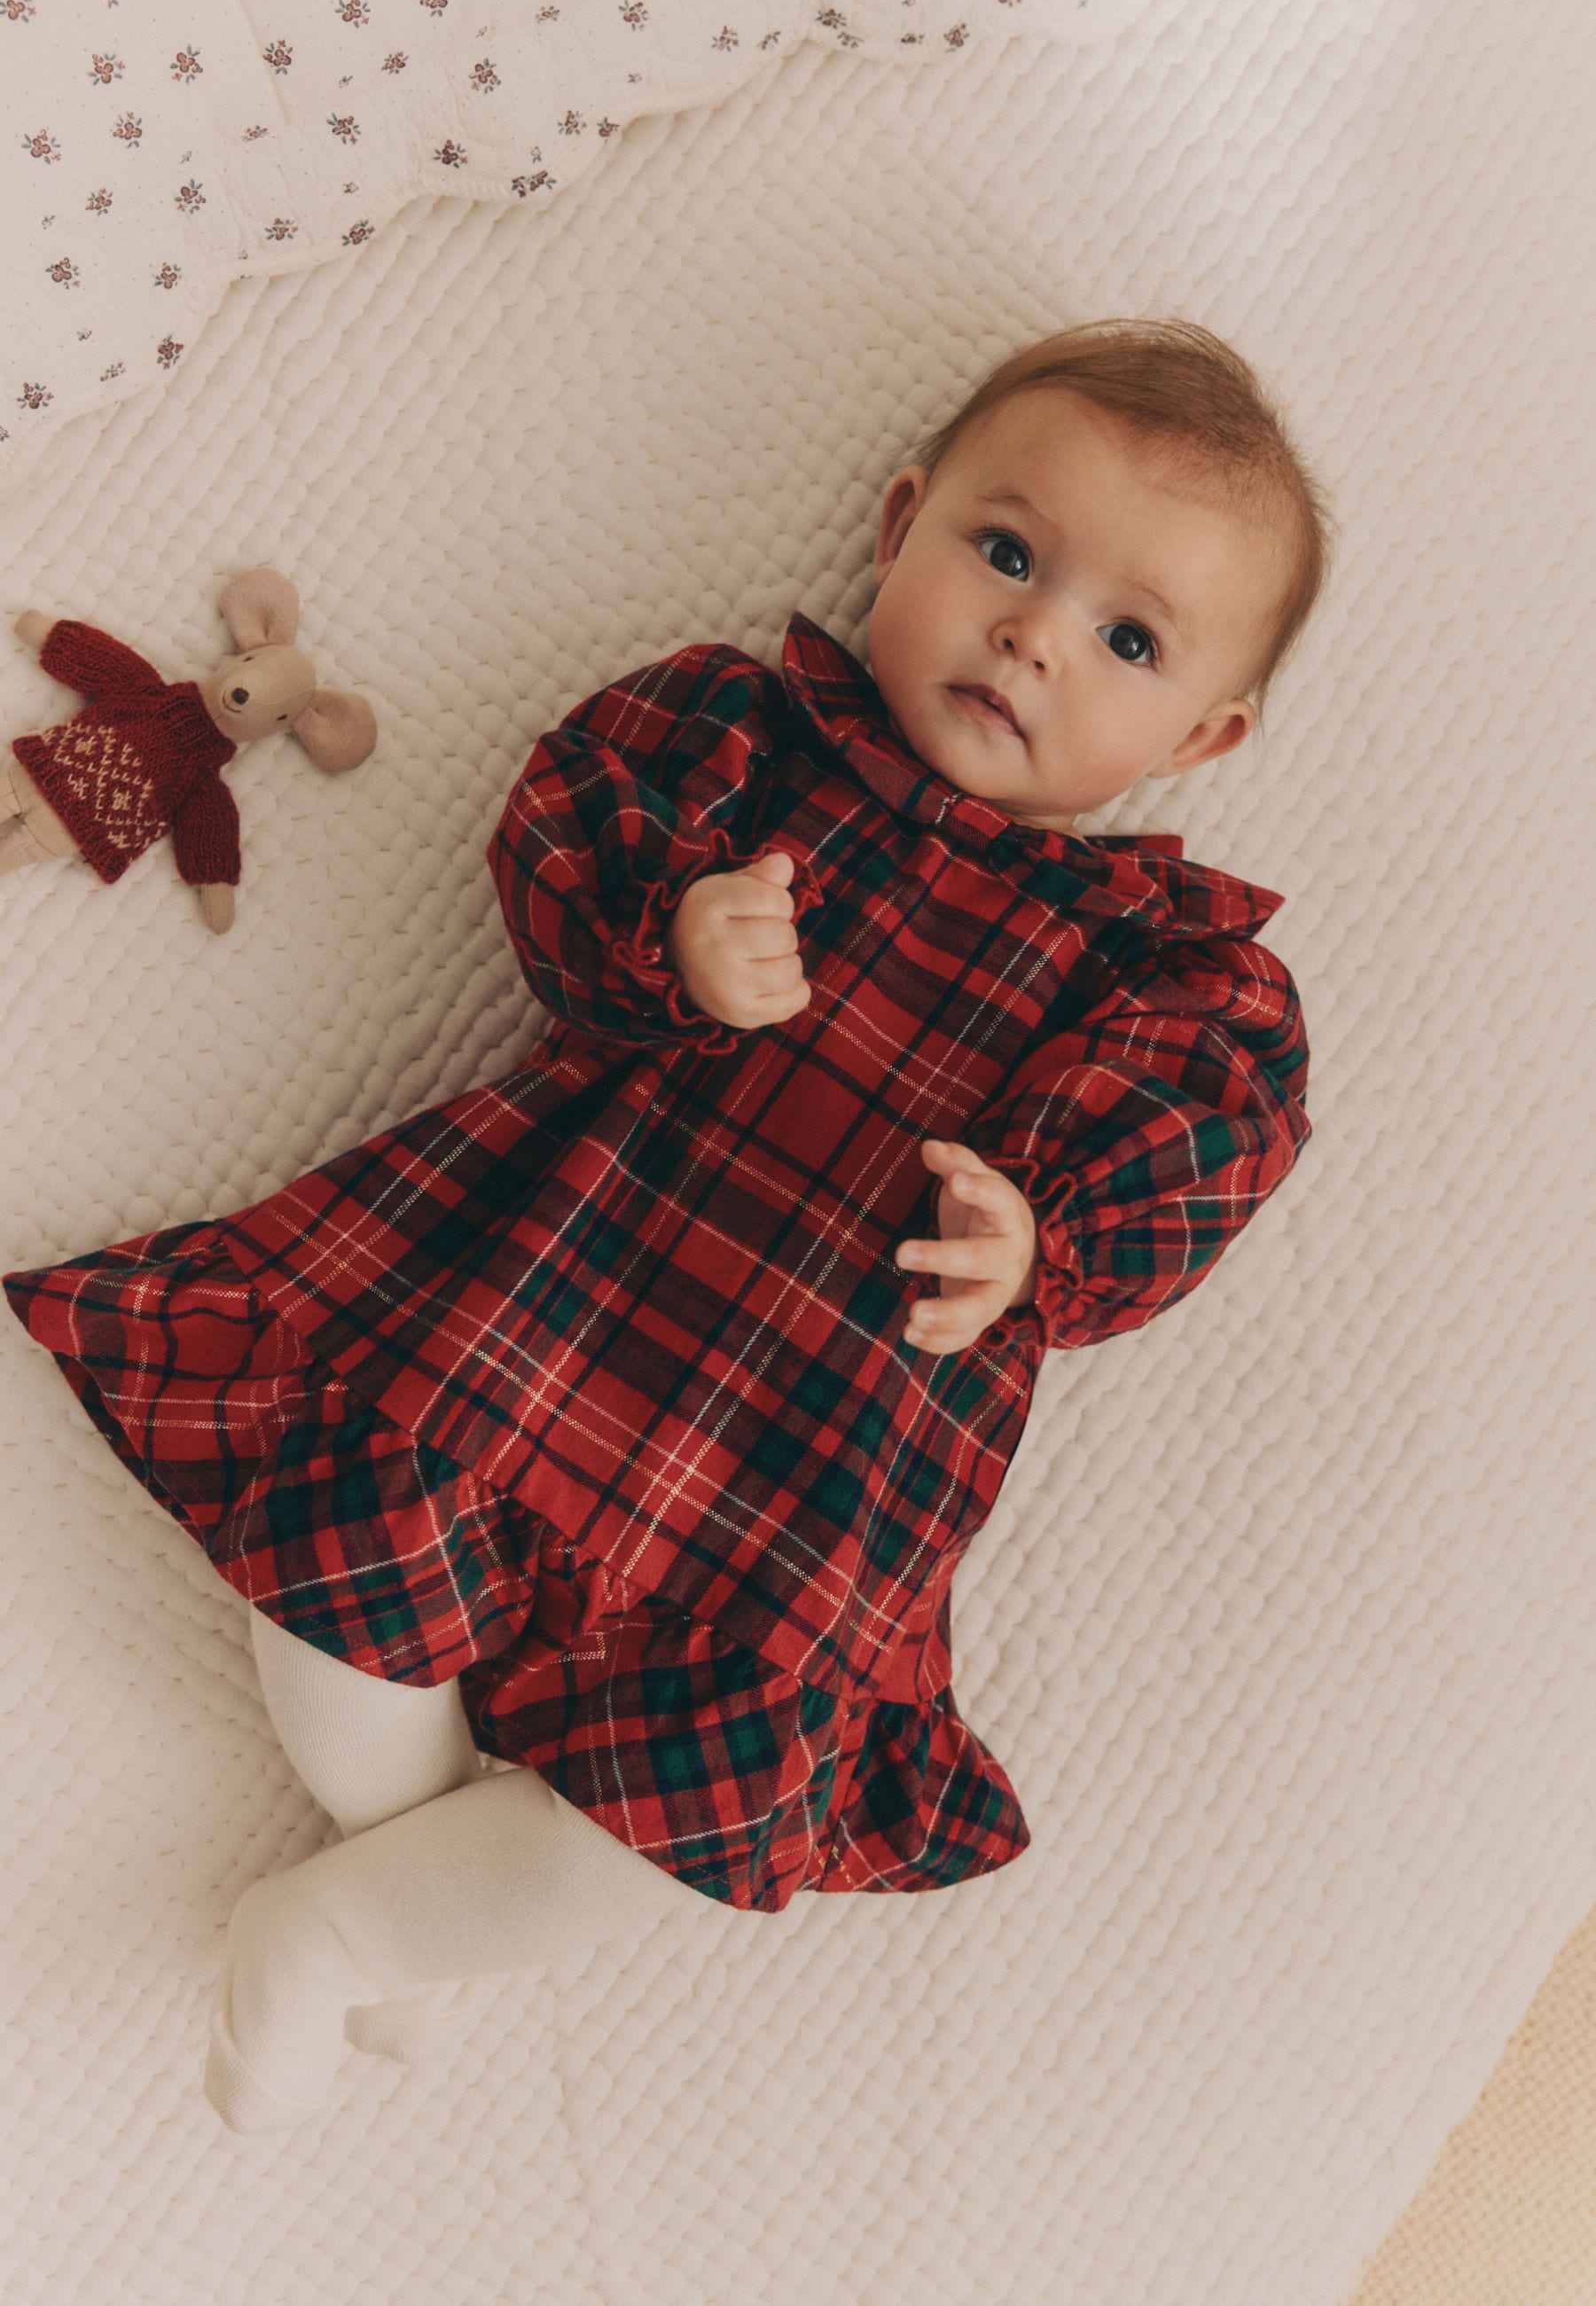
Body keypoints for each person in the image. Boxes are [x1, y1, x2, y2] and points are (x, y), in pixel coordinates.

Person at [4, 317, 1331, 2132]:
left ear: (1208, 730)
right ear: (901, 521)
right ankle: (396, 1917)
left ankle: (340, 1930)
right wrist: (676, 934)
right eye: (1007, 554)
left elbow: (1216, 1137)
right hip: (526, 1325)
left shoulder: (1172, 975)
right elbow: (563, 822)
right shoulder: (746, 741)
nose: (1032, 631)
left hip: (794, 1492)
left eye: (1126, 638)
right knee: (331, 1596)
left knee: (681, 1834)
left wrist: (1044, 1235)